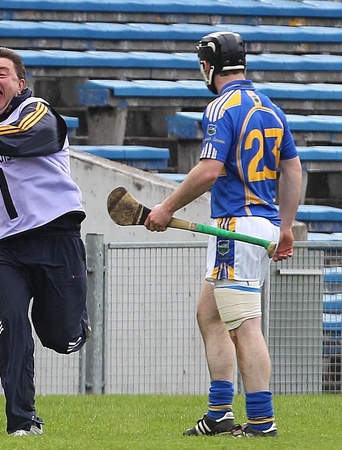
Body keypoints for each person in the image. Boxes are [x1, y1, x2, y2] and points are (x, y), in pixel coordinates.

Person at [144, 31, 302, 438]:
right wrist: (284, 227)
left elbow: (210, 171)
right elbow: (293, 170)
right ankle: (219, 414)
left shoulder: (220, 107)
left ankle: (262, 421)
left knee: (244, 326)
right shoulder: (271, 108)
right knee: (209, 313)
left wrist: (166, 208)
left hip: (235, 226)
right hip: (258, 225)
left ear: (207, 66)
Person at [0, 46, 91, 436]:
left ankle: (73, 324)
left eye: (2, 73)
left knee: (60, 337)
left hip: (55, 237)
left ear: (20, 84)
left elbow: (24, 139)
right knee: (12, 328)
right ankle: (22, 423)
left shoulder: (37, 112)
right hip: (5, 249)